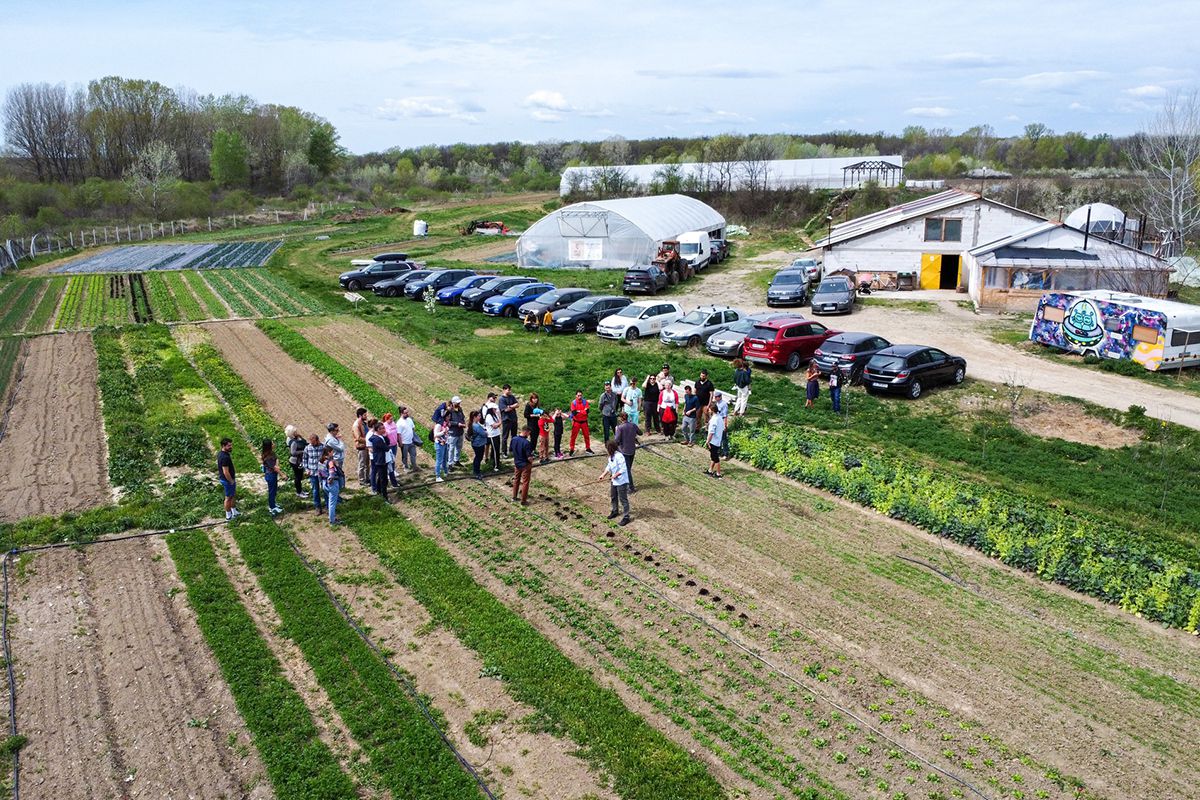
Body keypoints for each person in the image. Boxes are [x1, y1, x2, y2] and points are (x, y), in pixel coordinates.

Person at [596, 439, 631, 526]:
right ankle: (615, 511)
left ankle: (626, 516)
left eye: (607, 449)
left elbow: (623, 469)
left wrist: (615, 475)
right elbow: (609, 466)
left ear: (610, 449)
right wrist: (603, 475)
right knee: (613, 496)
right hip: (614, 481)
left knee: (623, 499)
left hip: (621, 481)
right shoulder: (610, 457)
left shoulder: (619, 456)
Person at [614, 412, 641, 494]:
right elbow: (640, 433)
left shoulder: (620, 427)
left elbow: (616, 440)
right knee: (628, 469)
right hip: (632, 450)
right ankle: (627, 484)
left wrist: (616, 431)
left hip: (624, 451)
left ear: (621, 418)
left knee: (627, 470)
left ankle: (631, 487)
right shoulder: (633, 425)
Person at [318, 446, 342, 526]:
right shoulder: (330, 462)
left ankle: (332, 518)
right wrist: (331, 480)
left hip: (324, 483)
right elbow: (332, 472)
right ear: (328, 452)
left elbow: (319, 473)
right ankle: (332, 521)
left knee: (329, 501)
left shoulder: (320, 461)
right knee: (332, 503)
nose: (333, 453)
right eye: (332, 451)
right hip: (332, 484)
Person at [510, 425, 534, 505]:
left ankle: (514, 497)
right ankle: (523, 500)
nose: (529, 435)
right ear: (526, 432)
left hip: (517, 463)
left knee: (516, 480)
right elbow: (529, 457)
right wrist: (531, 461)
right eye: (529, 433)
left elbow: (511, 449)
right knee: (525, 482)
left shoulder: (514, 439)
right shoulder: (526, 443)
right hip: (525, 465)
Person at [368, 421, 390, 501]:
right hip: (381, 461)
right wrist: (387, 445)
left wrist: (385, 436)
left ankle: (378, 491)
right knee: (383, 479)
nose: (384, 430)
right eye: (382, 429)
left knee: (380, 478)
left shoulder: (380, 437)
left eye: (384, 428)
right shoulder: (377, 440)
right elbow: (386, 448)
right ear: (377, 430)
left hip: (382, 459)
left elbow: (388, 442)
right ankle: (384, 497)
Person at [217, 438, 239, 520]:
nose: (231, 447)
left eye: (231, 445)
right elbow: (226, 472)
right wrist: (231, 481)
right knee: (228, 498)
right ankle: (228, 516)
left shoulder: (222, 453)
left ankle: (234, 511)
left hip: (227, 479)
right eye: (229, 445)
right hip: (227, 480)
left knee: (232, 495)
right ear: (223, 446)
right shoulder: (224, 457)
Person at [303, 433, 325, 515]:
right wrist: (306, 469)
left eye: (313, 443)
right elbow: (304, 460)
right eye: (311, 442)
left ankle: (328, 505)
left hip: (322, 472)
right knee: (315, 491)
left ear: (317, 440)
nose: (312, 444)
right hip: (312, 472)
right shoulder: (307, 448)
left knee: (325, 489)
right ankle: (317, 507)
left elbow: (327, 458)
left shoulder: (323, 447)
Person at [261, 439, 283, 515]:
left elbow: (276, 460)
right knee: (272, 491)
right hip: (271, 475)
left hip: (271, 475)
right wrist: (282, 474)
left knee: (274, 490)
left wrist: (277, 463)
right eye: (272, 443)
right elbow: (275, 467)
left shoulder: (269, 453)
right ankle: (272, 507)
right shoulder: (268, 457)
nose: (274, 444)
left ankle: (273, 503)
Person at [568, 390, 593, 455]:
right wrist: (583, 411)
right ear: (576, 396)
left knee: (586, 436)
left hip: (584, 422)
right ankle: (571, 449)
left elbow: (587, 412)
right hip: (576, 422)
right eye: (578, 395)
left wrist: (578, 411)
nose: (579, 397)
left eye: (580, 395)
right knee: (573, 436)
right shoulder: (573, 403)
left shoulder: (585, 402)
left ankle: (588, 448)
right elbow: (574, 413)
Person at [705, 402, 725, 479]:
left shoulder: (714, 419)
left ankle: (718, 473)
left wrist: (708, 441)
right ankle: (710, 470)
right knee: (713, 456)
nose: (709, 411)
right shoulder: (719, 418)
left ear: (712, 410)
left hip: (713, 441)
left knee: (715, 457)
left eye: (709, 409)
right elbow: (722, 428)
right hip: (718, 440)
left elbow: (711, 432)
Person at [483, 394, 502, 472]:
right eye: (494, 409)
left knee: (497, 450)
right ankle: (495, 466)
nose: (495, 410)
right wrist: (499, 423)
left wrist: (498, 423)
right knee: (495, 450)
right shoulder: (489, 416)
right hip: (492, 435)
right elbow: (494, 425)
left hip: (497, 434)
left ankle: (497, 463)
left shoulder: (494, 415)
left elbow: (498, 422)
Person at [324, 422, 346, 489]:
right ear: (331, 431)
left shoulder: (333, 438)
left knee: (340, 473)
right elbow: (341, 448)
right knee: (338, 474)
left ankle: (340, 487)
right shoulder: (330, 440)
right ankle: (339, 488)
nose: (338, 431)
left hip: (338, 459)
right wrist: (340, 440)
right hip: (336, 460)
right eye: (336, 430)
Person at [286, 425, 306, 497]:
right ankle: (299, 492)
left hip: (299, 461)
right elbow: (293, 452)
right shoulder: (293, 442)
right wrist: (303, 451)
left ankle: (300, 490)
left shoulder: (297, 438)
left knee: (300, 476)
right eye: (295, 431)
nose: (297, 432)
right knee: (298, 476)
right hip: (295, 462)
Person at [498, 385, 519, 456]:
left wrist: (510, 406)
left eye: (510, 390)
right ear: (504, 390)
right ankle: (504, 451)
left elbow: (517, 404)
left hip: (513, 418)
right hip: (506, 419)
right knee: (505, 436)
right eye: (508, 390)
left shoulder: (512, 397)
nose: (509, 391)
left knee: (514, 435)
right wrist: (512, 406)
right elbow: (505, 409)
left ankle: (512, 449)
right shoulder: (501, 399)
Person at [351, 407, 370, 487]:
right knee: (362, 464)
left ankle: (367, 478)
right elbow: (358, 438)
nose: (366, 416)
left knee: (367, 464)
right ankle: (362, 481)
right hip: (361, 446)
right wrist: (368, 440)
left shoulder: (363, 423)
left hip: (366, 446)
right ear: (360, 415)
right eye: (365, 415)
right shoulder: (356, 425)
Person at [446, 396, 466, 468]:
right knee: (451, 448)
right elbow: (448, 421)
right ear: (453, 403)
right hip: (453, 433)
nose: (459, 403)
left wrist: (463, 423)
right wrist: (457, 424)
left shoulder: (460, 409)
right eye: (458, 402)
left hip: (460, 432)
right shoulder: (449, 411)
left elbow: (462, 417)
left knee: (459, 447)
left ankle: (456, 460)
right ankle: (450, 464)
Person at [397, 406, 417, 471]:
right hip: (404, 442)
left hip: (411, 441)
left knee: (413, 454)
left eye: (407, 412)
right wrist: (400, 443)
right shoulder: (399, 423)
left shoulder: (409, 420)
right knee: (405, 456)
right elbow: (398, 434)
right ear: (401, 414)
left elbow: (413, 428)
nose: (407, 414)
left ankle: (414, 466)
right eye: (405, 413)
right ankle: (406, 467)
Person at [382, 412, 400, 487]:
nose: (392, 420)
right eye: (390, 419)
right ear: (386, 419)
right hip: (389, 445)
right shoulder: (384, 426)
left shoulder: (393, 424)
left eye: (392, 419)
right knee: (389, 459)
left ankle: (393, 470)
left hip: (394, 444)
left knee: (393, 458)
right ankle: (389, 472)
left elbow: (397, 432)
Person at [469, 410, 489, 478]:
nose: (480, 417)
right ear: (475, 417)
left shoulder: (473, 424)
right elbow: (483, 434)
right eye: (479, 416)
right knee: (478, 457)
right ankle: (476, 471)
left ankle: (476, 469)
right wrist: (486, 432)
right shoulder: (476, 426)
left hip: (476, 443)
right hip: (478, 444)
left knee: (478, 457)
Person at [715, 390, 731, 459]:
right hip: (717, 422)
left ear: (720, 397)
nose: (715, 398)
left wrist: (725, 425)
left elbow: (725, 416)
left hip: (722, 422)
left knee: (724, 439)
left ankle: (726, 454)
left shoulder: (724, 404)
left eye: (717, 397)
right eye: (715, 397)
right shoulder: (716, 403)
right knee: (717, 438)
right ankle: (719, 452)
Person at [433, 414, 449, 482]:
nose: (449, 418)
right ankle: (438, 476)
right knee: (439, 460)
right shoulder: (438, 425)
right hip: (439, 444)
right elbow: (435, 435)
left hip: (444, 443)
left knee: (445, 458)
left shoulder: (445, 424)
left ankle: (445, 472)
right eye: (448, 416)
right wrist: (443, 432)